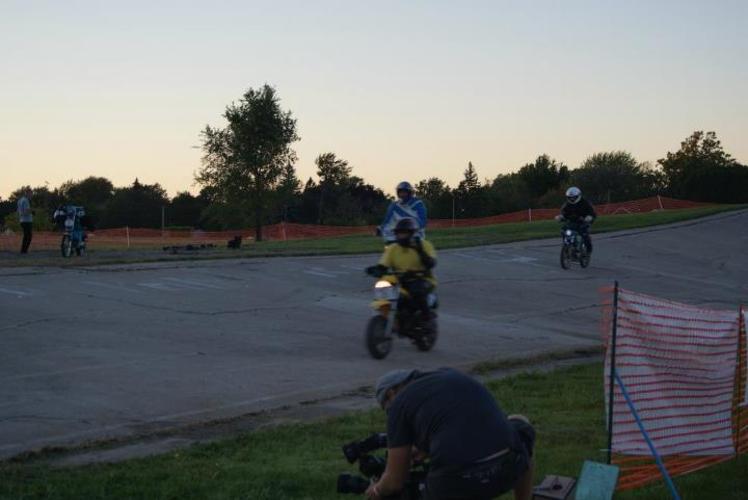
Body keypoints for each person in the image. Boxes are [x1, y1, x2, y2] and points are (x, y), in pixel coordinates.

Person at [365, 368, 535, 500]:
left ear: (391, 393)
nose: (389, 413)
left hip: (458, 484)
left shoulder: (399, 404)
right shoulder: (450, 375)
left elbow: (394, 481)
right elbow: (469, 424)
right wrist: (426, 450)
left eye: (386, 409)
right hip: (511, 467)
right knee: (519, 421)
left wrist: (377, 489)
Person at [368, 217, 436, 319]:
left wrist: (420, 251)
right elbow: (383, 264)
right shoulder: (393, 248)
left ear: (411, 233)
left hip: (423, 279)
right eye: (398, 233)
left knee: (417, 291)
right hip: (401, 280)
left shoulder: (425, 245)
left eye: (404, 233)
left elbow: (431, 264)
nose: (400, 236)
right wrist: (376, 270)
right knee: (386, 288)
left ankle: (426, 316)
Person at [557, 186, 596, 253]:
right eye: (570, 197)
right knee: (564, 230)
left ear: (578, 196)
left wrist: (589, 217)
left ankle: (588, 249)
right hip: (572, 222)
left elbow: (592, 213)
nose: (572, 199)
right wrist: (560, 217)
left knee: (584, 235)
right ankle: (567, 245)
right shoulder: (567, 204)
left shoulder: (585, 203)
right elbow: (564, 212)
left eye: (574, 197)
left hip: (583, 222)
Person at [17, 188, 33, 254]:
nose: (31, 195)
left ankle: (23, 250)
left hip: (22, 220)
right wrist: (32, 212)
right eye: (31, 194)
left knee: (26, 236)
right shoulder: (26, 200)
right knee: (29, 236)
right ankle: (24, 250)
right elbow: (27, 210)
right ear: (27, 193)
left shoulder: (19, 200)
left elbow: (18, 210)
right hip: (27, 220)